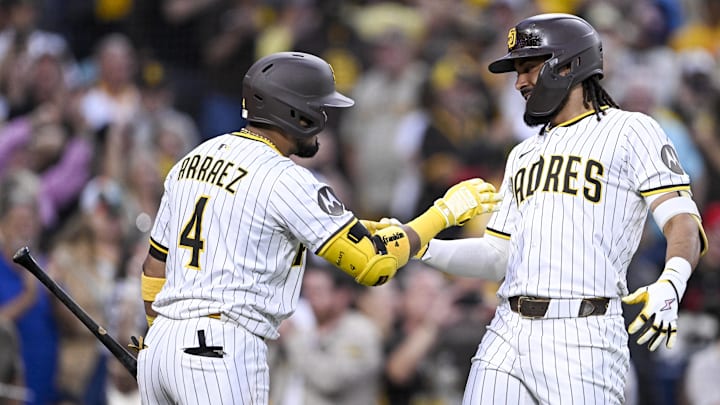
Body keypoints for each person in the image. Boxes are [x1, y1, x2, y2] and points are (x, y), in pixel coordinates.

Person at [136, 51, 501, 404]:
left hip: (161, 345)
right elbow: (374, 264)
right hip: (220, 347)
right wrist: (444, 213)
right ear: (297, 113)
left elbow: (154, 267)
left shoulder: (193, 158)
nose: (325, 118)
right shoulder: (286, 177)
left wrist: (159, 333)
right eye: (320, 107)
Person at [410, 13, 707, 405]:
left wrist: (672, 282)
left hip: (583, 334)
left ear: (570, 65)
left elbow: (682, 220)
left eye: (529, 67)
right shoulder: (522, 154)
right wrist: (418, 246)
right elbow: (498, 255)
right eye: (516, 71)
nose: (519, 83)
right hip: (507, 327)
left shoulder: (632, 129)